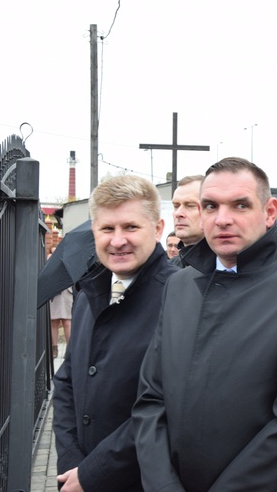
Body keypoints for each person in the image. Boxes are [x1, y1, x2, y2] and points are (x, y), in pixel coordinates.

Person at [132, 157, 277, 491]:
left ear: (269, 212)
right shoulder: (179, 286)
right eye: (210, 206)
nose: (223, 219)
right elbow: (150, 399)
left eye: (240, 205)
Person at [53, 175, 178, 491]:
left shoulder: (181, 298)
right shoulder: (88, 294)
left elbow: (168, 405)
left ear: (158, 228)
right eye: (107, 228)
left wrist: (91, 472)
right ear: (94, 231)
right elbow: (67, 380)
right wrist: (71, 462)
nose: (117, 240)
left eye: (131, 227)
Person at [169, 174, 206, 267]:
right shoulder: (168, 268)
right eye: (176, 206)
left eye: (190, 205)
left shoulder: (227, 267)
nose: (178, 213)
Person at [48, 245, 73, 359]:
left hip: (66, 292)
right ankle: (54, 348)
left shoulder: (67, 260)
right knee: (54, 322)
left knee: (67, 321)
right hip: (54, 293)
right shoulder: (49, 261)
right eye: (52, 252)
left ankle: (70, 348)